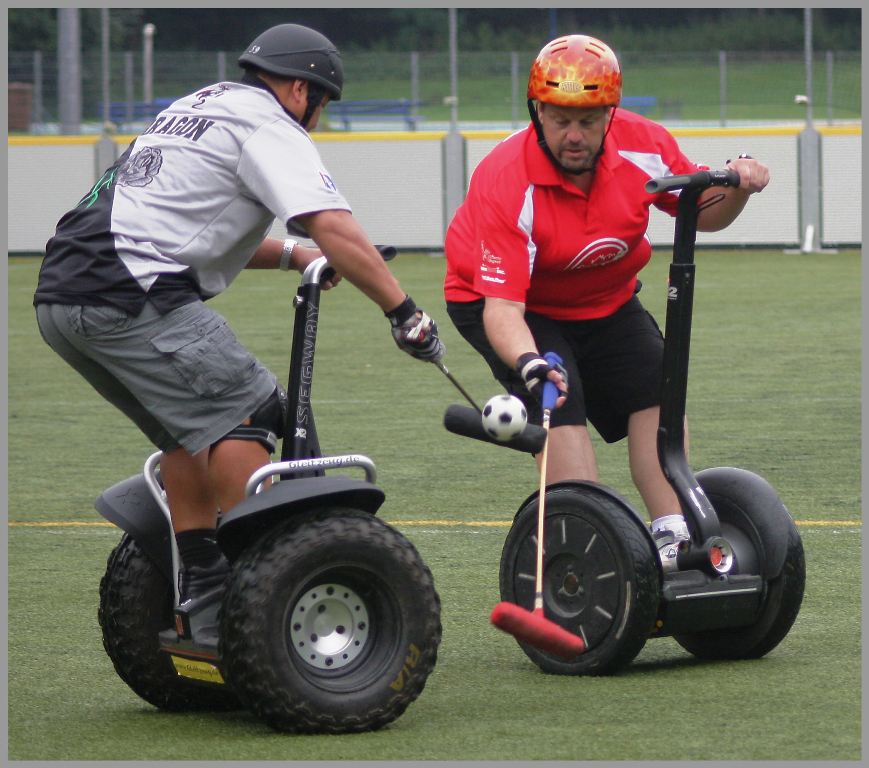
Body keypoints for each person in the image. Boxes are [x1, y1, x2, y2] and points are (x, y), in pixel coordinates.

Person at [34, 23, 444, 603]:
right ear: (304, 92)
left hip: (62, 296)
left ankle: (203, 588)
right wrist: (405, 313)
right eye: (321, 106)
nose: (316, 117)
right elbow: (334, 223)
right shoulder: (270, 125)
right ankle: (271, 583)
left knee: (191, 430)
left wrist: (297, 255)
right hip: (130, 294)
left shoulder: (195, 108)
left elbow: (189, 223)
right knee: (248, 410)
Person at [443, 34, 769, 566]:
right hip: (512, 306)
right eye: (559, 119)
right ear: (538, 111)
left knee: (656, 389)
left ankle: (673, 538)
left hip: (606, 299)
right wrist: (530, 365)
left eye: (589, 120)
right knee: (561, 409)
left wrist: (738, 186)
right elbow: (503, 311)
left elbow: (703, 212)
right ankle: (584, 552)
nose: (574, 136)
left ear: (610, 115)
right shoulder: (507, 181)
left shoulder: (644, 146)